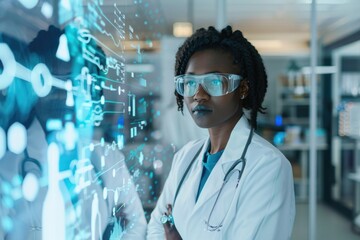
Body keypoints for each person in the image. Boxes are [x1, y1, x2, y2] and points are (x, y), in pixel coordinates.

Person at [147, 26, 295, 240]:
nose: (199, 95)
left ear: (242, 88)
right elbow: (155, 228)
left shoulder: (268, 167)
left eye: (214, 82)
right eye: (189, 83)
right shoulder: (186, 157)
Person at [0, 25, 147, 239]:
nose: (63, 96)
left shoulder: (105, 158)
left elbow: (137, 224)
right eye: (52, 82)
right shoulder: (8, 165)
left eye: (73, 83)